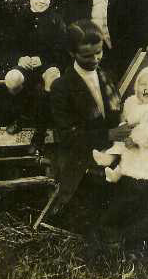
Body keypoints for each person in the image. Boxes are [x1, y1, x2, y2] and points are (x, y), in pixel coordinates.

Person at [49, 19, 133, 214]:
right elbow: (68, 137)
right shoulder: (61, 86)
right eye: (87, 55)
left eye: (99, 52)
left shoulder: (107, 75)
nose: (95, 59)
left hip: (113, 149)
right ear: (72, 53)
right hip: (81, 158)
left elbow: (116, 113)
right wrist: (109, 135)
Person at [4, 0, 68, 155]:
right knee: (12, 79)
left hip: (48, 64)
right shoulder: (19, 19)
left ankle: (40, 133)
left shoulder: (56, 20)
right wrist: (19, 58)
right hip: (24, 66)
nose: (42, 0)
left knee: (53, 78)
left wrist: (44, 60)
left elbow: (63, 52)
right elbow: (7, 47)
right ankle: (21, 117)